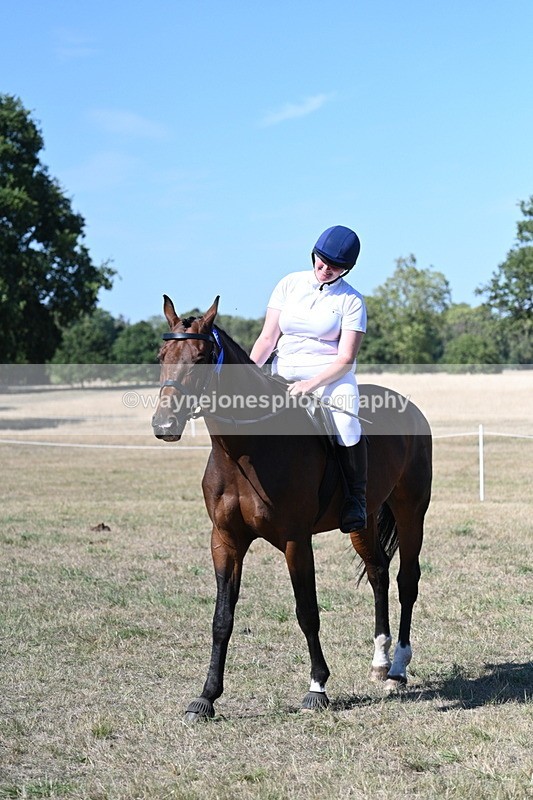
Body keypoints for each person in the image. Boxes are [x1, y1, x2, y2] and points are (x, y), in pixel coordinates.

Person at [250, 225, 368, 533]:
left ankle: (356, 498)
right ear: (313, 254)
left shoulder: (352, 301)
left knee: (346, 424)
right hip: (282, 372)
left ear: (347, 269)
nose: (326, 269)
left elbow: (345, 359)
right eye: (322, 261)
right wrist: (246, 375)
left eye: (336, 266)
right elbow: (267, 338)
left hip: (331, 377)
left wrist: (310, 384)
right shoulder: (289, 284)